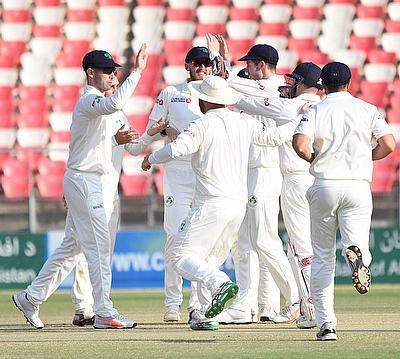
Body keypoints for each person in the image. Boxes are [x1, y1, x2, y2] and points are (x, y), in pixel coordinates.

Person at [141, 75, 302, 330]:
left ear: (204, 100)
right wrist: (297, 120)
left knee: (180, 257)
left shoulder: (203, 124)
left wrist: (150, 158)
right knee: (209, 260)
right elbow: (273, 137)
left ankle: (220, 283)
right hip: (237, 206)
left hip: (210, 203)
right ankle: (205, 315)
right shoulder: (243, 121)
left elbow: (175, 150)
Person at [12, 46, 149, 329]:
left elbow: (125, 143)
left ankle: (31, 297)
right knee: (98, 248)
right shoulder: (89, 100)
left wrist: (150, 132)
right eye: (107, 72)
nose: (113, 76)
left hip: (89, 181)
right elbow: (110, 107)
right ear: (90, 73)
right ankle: (104, 311)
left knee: (71, 248)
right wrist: (136, 73)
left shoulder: (109, 108)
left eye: (115, 72)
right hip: (86, 181)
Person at [292, 61, 395, 340]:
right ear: (349, 83)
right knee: (358, 242)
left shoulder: (316, 110)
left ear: (322, 86)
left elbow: (300, 145)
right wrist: (366, 158)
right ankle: (356, 256)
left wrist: (315, 159)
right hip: (357, 185)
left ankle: (327, 325)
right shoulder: (366, 109)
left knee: (323, 259)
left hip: (325, 185)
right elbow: (388, 144)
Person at [227, 62, 323, 328]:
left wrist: (228, 90)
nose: (289, 85)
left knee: (300, 247)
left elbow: (257, 106)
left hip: (295, 179)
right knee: (309, 247)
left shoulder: (294, 106)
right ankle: (309, 306)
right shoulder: (322, 106)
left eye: (295, 81)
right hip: (317, 179)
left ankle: (306, 307)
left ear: (305, 84)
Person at [208, 36, 296, 324]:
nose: (246, 69)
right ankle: (248, 305)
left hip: (264, 171)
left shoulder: (272, 89)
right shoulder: (253, 88)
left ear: (262, 66)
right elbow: (233, 89)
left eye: (250, 64)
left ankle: (296, 298)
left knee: (264, 238)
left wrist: (223, 63)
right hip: (246, 172)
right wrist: (224, 64)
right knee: (244, 242)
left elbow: (233, 86)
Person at [70, 77, 166, 326]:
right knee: (86, 249)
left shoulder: (117, 114)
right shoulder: (92, 109)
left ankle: (97, 305)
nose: (112, 90)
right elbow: (82, 149)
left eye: (115, 87)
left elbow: (134, 148)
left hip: (109, 191)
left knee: (101, 251)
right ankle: (85, 306)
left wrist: (150, 134)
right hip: (89, 187)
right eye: (110, 86)